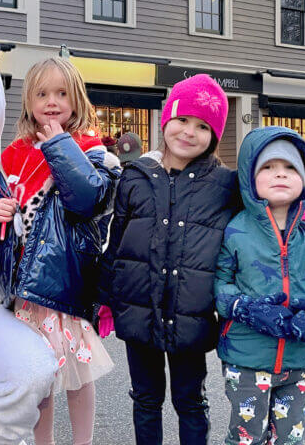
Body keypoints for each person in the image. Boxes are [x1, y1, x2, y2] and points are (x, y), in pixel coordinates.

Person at [0, 57, 120, 445]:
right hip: (23, 287)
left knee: (78, 374)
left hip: (63, 283)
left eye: (61, 93)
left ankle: (83, 442)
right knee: (37, 378)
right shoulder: (12, 155)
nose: (52, 101)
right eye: (42, 93)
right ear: (28, 100)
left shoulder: (91, 149)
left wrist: (58, 144)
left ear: (76, 98)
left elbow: (86, 198)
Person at [98, 74, 238, 445]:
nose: (189, 132)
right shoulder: (134, 177)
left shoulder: (225, 186)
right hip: (137, 307)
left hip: (192, 314)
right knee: (145, 398)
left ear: (215, 135)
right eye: (182, 120)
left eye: (203, 126)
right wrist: (104, 295)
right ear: (166, 120)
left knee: (190, 400)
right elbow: (117, 241)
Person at [215, 126, 305, 445]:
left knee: (289, 437)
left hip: (301, 360)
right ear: (249, 177)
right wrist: (245, 308)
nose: (279, 174)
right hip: (247, 360)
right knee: (245, 436)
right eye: (268, 167)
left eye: (290, 167)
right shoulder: (235, 232)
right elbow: (219, 283)